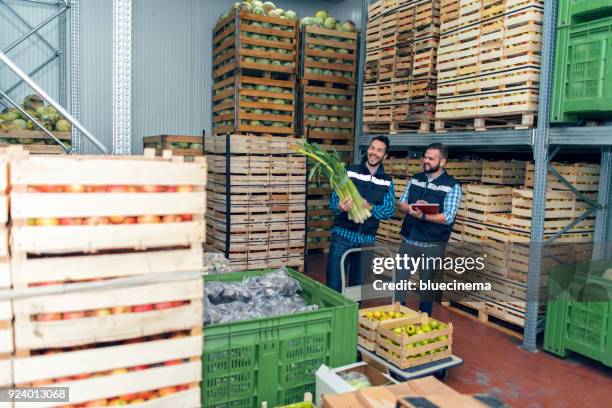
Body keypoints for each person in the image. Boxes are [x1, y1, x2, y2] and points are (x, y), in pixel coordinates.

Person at [396, 143, 462, 315]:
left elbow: (448, 217)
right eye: (425, 157)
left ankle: (423, 320)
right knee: (399, 283)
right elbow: (401, 203)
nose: (426, 161)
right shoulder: (416, 178)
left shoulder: (452, 186)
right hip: (409, 241)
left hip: (432, 246)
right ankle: (398, 317)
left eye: (430, 159)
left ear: (442, 162)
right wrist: (409, 208)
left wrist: (424, 216)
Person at [326, 136, 396, 293]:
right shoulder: (349, 172)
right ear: (368, 149)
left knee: (358, 288)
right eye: (372, 148)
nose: (374, 153)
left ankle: (354, 316)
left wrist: (371, 207)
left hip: (366, 240)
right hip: (342, 237)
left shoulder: (387, 181)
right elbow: (333, 202)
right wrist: (340, 206)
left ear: (385, 156)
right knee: (334, 284)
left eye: (379, 150)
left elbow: (390, 210)